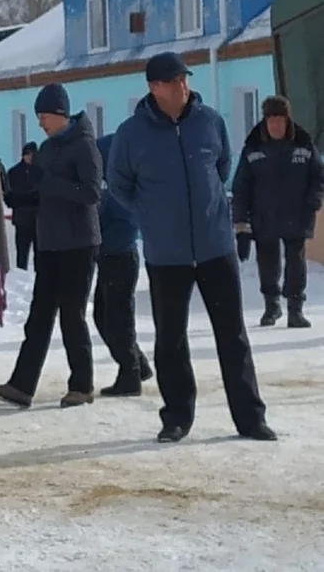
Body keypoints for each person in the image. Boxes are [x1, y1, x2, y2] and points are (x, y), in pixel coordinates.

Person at [108, 51, 276, 443]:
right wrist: (150, 216)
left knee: (232, 334)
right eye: (173, 80)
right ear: (154, 88)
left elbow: (222, 166)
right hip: (166, 253)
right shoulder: (131, 135)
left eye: (184, 78)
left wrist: (211, 208)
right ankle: (177, 417)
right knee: (171, 338)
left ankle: (251, 418)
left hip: (215, 246)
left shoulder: (210, 121)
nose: (183, 85)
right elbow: (120, 184)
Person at [0, 83, 102, 409]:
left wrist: (51, 184)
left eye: (43, 116)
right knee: (39, 316)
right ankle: (22, 385)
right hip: (50, 243)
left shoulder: (84, 147)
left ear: (59, 114)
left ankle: (82, 384)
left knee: (72, 315)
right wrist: (15, 196)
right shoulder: (48, 149)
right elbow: (43, 193)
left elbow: (92, 192)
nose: (40, 123)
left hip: (79, 243)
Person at [232, 95, 324, 329]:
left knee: (296, 262)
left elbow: (318, 175)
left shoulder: (303, 144)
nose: (275, 126)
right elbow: (241, 187)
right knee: (268, 263)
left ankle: (295, 309)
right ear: (265, 121)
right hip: (264, 217)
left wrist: (315, 197)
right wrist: (241, 223)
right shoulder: (253, 148)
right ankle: (271, 306)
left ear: (286, 120)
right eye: (271, 120)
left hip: (298, 213)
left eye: (279, 120)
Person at [94, 133, 153, 396]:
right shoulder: (110, 182)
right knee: (105, 316)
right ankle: (137, 364)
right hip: (112, 255)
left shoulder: (120, 186)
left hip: (119, 255)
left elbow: (120, 221)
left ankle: (130, 373)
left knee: (117, 319)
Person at [6, 141, 43, 271]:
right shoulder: (14, 173)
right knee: (22, 254)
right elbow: (9, 197)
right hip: (22, 220)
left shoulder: (42, 172)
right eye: (28, 155)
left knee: (41, 255)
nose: (30, 157)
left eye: (33, 155)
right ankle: (21, 278)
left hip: (39, 220)